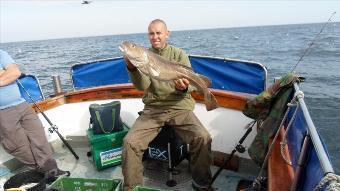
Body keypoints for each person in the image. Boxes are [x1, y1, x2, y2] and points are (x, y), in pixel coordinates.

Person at [122, 19, 213, 191]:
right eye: (151, 33)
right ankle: (131, 188)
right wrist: (132, 68)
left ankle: (202, 184)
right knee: (129, 142)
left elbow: (192, 83)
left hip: (180, 107)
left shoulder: (179, 54)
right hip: (153, 109)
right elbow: (142, 86)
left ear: (167, 34)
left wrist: (184, 87)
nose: (155, 37)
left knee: (202, 137)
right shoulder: (144, 57)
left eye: (158, 33)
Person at [0, 50, 69, 178]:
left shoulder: (1, 53)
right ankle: (44, 170)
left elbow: (15, 72)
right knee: (17, 146)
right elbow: (9, 75)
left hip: (21, 104)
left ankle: (51, 169)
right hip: (2, 113)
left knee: (39, 138)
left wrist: (8, 74)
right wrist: (4, 75)